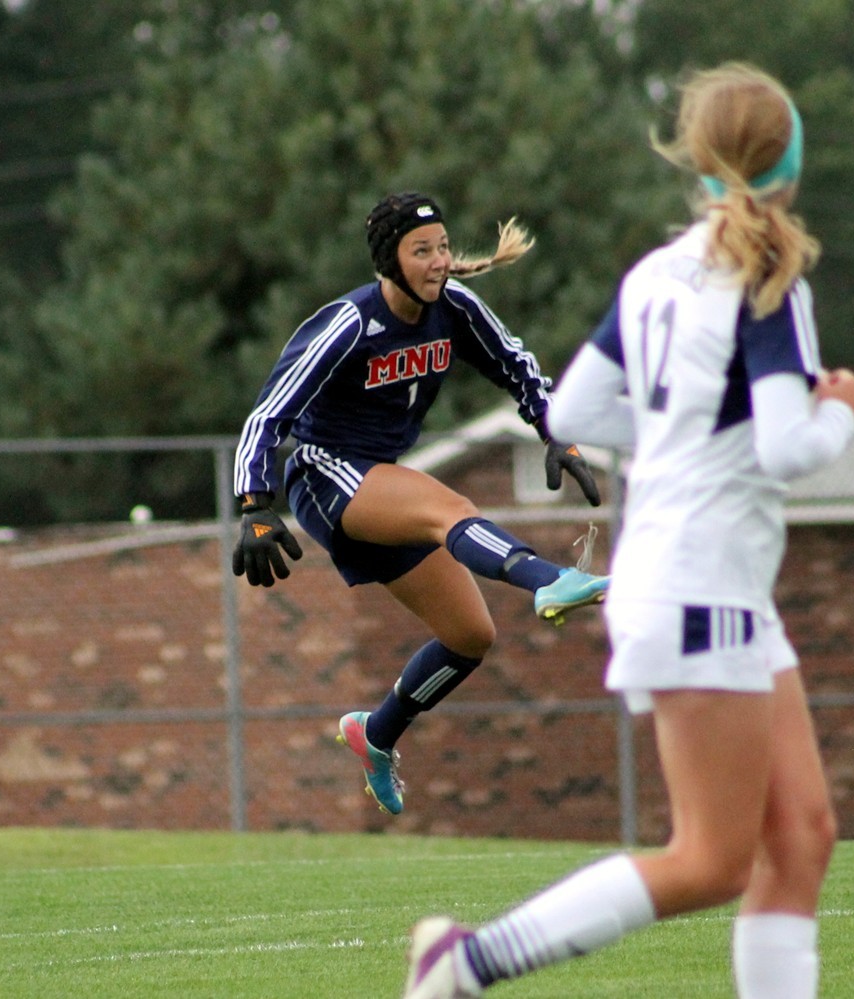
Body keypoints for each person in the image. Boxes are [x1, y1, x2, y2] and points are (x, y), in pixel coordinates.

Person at [400, 62, 854, 999]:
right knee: (711, 860)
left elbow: (575, 406)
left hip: (704, 583)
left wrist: (681, 428)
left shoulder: (657, 274)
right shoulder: (767, 271)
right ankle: (468, 962)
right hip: (700, 586)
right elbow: (786, 446)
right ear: (792, 162)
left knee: (802, 833)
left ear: (696, 161)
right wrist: (846, 409)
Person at [231, 191, 609, 817]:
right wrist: (254, 504)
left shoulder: (455, 307)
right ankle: (551, 580)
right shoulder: (350, 322)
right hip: (327, 479)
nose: (439, 262)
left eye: (442, 247)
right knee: (447, 505)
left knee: (470, 635)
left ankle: (375, 735)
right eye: (422, 251)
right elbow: (269, 413)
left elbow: (517, 366)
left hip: (380, 483)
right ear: (390, 261)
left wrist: (556, 432)